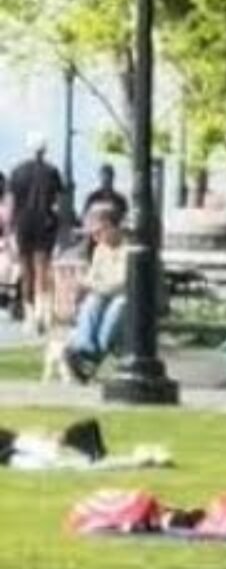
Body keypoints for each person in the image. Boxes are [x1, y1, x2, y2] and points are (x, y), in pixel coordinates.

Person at [64, 205, 128, 383]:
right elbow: (93, 278)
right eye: (93, 233)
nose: (94, 237)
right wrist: (89, 285)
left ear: (112, 227)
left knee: (117, 304)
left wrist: (95, 285)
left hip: (127, 301)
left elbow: (121, 283)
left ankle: (89, 356)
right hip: (104, 298)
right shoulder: (100, 250)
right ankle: (85, 349)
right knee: (93, 301)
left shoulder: (129, 250)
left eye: (99, 232)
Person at [9, 132, 64, 334]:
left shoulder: (17, 172)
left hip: (23, 223)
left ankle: (29, 316)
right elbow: (58, 201)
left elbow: (11, 203)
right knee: (42, 268)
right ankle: (43, 314)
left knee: (26, 270)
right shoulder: (52, 171)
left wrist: (11, 229)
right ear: (45, 149)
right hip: (45, 221)